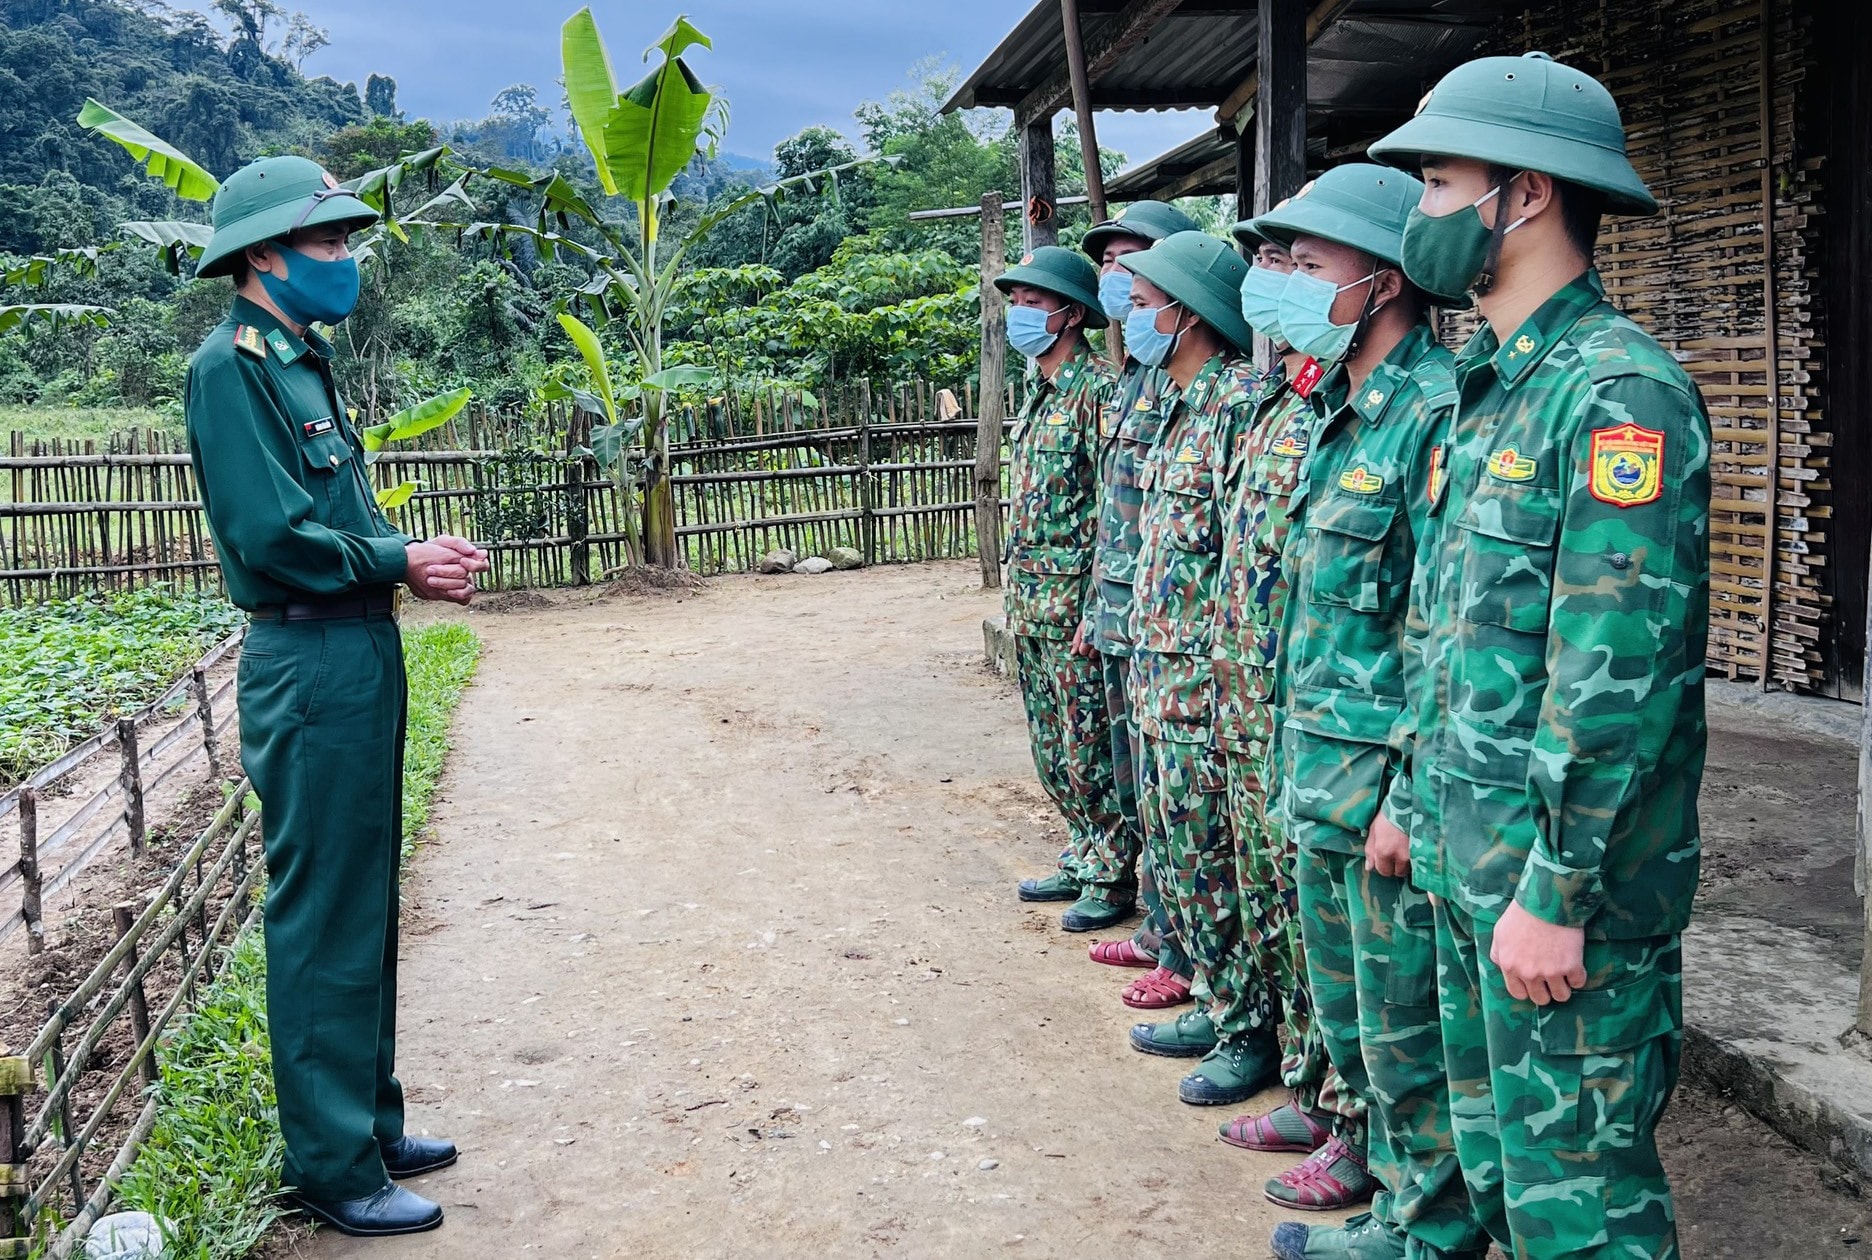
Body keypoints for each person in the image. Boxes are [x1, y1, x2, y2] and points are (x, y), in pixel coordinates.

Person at [1365, 52, 1711, 1259]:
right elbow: (1448, 630)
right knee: (1509, 1190)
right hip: (1470, 872)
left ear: (1525, 195)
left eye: (1441, 182)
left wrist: (1557, 898)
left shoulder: (1617, 396)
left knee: (1584, 1213)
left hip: (1560, 904)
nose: (1424, 213)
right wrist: (1411, 790)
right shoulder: (1488, 390)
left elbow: (1618, 683)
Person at [184, 155, 489, 1238]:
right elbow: (269, 538)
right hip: (306, 659)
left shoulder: (304, 361)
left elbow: (339, 522)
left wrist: (403, 557)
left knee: (364, 896)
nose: (347, 260)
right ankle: (330, 1164)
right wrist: (396, 559)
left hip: (357, 651)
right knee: (319, 914)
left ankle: (368, 1124)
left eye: (348, 242)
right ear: (261, 256)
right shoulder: (234, 368)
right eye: (327, 244)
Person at [1234, 165, 1490, 1257]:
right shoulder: (1341, 412)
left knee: (1405, 1025)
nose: (1279, 284)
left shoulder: (1431, 414)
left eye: (1305, 265)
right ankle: (1380, 1173)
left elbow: (1444, 634)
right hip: (1321, 768)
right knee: (1352, 1017)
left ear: (1382, 284)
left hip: (1382, 789)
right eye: (1276, 264)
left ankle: (1425, 1226)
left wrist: (1406, 794)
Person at [1116, 231, 1270, 1104]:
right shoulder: (1176, 405)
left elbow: (1240, 565)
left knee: (1216, 864)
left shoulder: (1237, 405)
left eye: (1144, 302)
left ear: (1190, 313)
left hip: (1208, 691)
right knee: (1180, 855)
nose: (1133, 315)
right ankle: (1218, 1001)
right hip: (1160, 680)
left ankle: (1247, 1029)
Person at [1075, 202, 1202, 993]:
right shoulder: (1133, 381)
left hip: (1172, 629)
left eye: (1135, 261)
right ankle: (1160, 926)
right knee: (1141, 788)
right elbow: (1118, 513)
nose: (1119, 277)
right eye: (1111, 262)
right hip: (1127, 611)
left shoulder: (1190, 391)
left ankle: (1182, 950)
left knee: (1177, 800)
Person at [995, 247, 1128, 927]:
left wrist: (1100, 606)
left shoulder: (1098, 391)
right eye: (1014, 302)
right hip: (1033, 603)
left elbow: (1114, 505)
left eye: (1032, 303)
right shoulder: (1041, 393)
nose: (1017, 314)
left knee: (1088, 746)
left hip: (1075, 605)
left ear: (1072, 314)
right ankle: (1082, 849)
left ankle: (1111, 870)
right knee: (1051, 744)